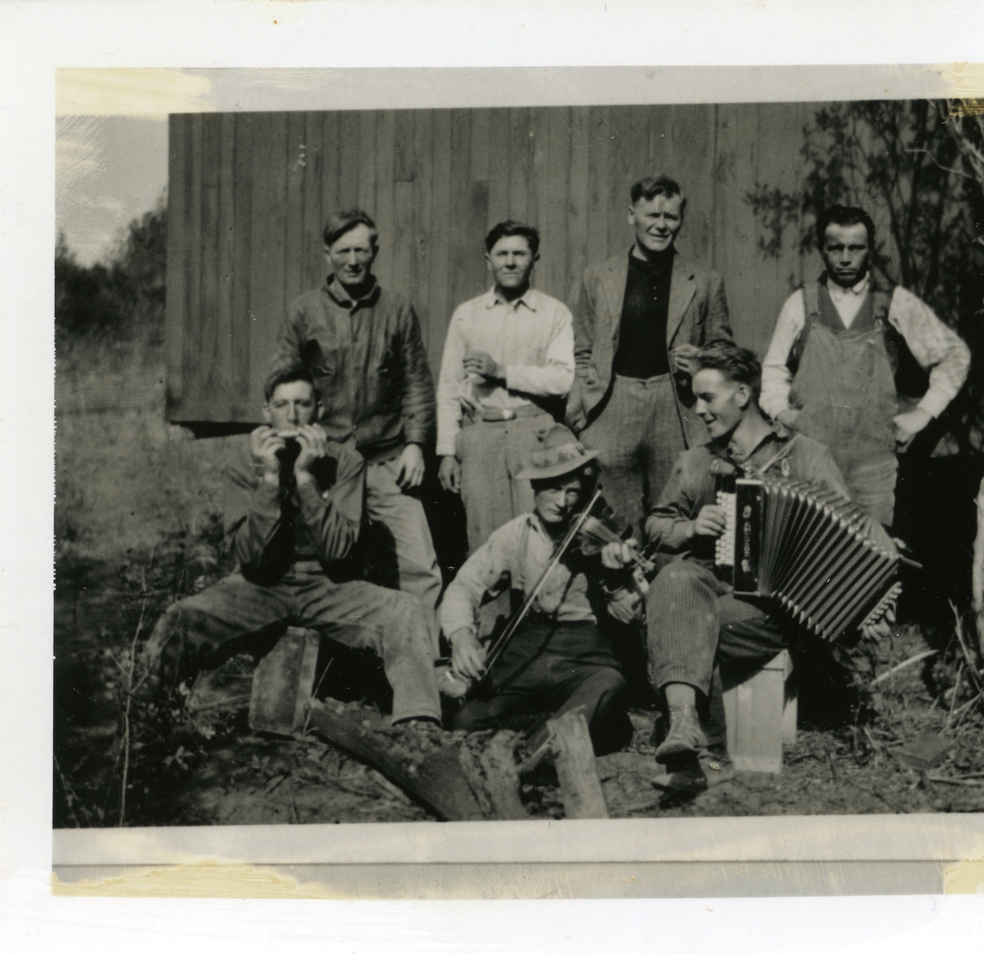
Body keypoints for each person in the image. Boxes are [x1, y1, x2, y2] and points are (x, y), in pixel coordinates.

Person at [643, 342, 895, 778]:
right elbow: (656, 523)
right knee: (676, 578)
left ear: (743, 395)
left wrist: (871, 602)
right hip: (712, 592)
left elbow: (857, 533)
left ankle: (704, 753)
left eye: (708, 397)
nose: (699, 410)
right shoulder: (697, 461)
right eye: (695, 399)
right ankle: (685, 726)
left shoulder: (805, 456)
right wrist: (688, 528)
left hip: (779, 613)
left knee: (678, 619)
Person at [143, 367, 441, 726]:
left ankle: (419, 729)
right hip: (261, 585)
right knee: (181, 618)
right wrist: (269, 477)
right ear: (267, 412)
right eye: (282, 405)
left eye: (302, 404)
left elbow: (338, 551)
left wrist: (305, 477)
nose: (293, 414)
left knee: (404, 610)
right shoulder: (244, 463)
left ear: (319, 409)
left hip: (329, 585)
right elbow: (252, 558)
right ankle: (150, 724)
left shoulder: (346, 462)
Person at [269, 209, 442, 651]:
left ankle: (424, 669)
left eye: (360, 250)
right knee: (328, 564)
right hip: (326, 464)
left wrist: (417, 446)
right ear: (327, 254)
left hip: (386, 461)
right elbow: (283, 387)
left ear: (375, 252)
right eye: (342, 251)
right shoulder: (303, 313)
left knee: (418, 563)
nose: (352, 260)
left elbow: (417, 384)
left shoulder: (398, 310)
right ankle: (338, 671)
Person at [760, 205, 970, 527]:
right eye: (836, 248)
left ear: (869, 250)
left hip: (874, 470)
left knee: (871, 560)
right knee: (810, 557)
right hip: (812, 464)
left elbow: (955, 355)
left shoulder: (892, 303)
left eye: (855, 248)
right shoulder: (801, 305)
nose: (845, 258)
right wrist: (781, 411)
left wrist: (923, 413)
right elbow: (773, 370)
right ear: (822, 250)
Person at [440, 425, 644, 753]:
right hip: (529, 652)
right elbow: (465, 584)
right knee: (466, 721)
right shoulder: (516, 533)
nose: (562, 502)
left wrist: (619, 579)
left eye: (573, 491)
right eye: (553, 488)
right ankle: (559, 733)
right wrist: (462, 635)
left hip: (585, 655)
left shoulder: (598, 535)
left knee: (609, 684)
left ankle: (542, 744)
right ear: (535, 485)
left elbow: (631, 616)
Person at [566, 174, 734, 537]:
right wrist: (585, 412)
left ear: (680, 220)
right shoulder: (599, 276)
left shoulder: (704, 281)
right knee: (613, 524)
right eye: (652, 215)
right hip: (613, 405)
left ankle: (667, 592)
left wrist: (703, 359)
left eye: (671, 217)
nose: (661, 225)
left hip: (675, 406)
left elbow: (725, 351)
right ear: (632, 215)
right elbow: (583, 349)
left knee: (673, 516)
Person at [436, 221, 574, 552]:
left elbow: (562, 379)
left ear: (534, 259)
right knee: (487, 541)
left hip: (535, 432)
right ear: (488, 260)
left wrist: (501, 372)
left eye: (519, 254)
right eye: (502, 254)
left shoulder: (554, 313)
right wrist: (446, 452)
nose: (510, 262)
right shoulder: (466, 315)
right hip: (481, 434)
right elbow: (448, 387)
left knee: (539, 538)